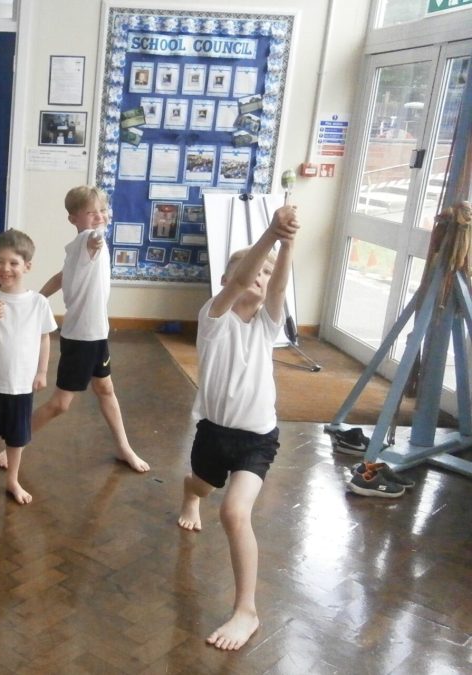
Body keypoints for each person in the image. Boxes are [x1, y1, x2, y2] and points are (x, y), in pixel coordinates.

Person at [176, 204, 300, 651]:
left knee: (233, 513)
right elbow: (242, 281)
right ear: (227, 281)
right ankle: (191, 493)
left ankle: (246, 610)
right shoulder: (214, 319)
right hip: (213, 433)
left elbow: (278, 285)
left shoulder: (267, 326)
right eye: (253, 271)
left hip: (257, 439)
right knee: (202, 484)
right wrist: (270, 234)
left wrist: (287, 243)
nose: (260, 278)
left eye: (266, 272)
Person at [0, 186, 149, 472]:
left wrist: (37, 299)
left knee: (105, 388)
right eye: (91, 213)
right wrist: (97, 233)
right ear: (73, 219)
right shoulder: (87, 241)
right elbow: (94, 239)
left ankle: (123, 447)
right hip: (82, 338)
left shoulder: (76, 249)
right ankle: (12, 444)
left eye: (102, 211)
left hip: (97, 334)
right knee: (60, 405)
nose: (99, 216)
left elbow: (62, 276)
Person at [0, 229, 57, 505]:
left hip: (21, 385)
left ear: (27, 266)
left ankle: (12, 479)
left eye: (13, 263)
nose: (5, 268)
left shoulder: (38, 303)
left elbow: (44, 339)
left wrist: (42, 372)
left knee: (17, 438)